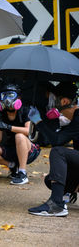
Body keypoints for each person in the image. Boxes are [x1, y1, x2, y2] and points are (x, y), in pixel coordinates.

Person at [28, 82, 79, 217]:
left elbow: (57, 142)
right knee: (50, 179)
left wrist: (39, 122)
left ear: (64, 101)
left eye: (52, 99)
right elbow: (57, 138)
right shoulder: (74, 120)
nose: (50, 103)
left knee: (58, 152)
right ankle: (65, 194)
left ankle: (56, 204)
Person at [0, 84, 41, 185]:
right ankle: (12, 166)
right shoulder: (1, 115)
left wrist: (8, 127)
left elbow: (28, 131)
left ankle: (22, 173)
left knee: (19, 136)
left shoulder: (25, 111)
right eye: (4, 95)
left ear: (18, 98)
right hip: (12, 149)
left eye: (10, 95)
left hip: (29, 149)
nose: (7, 99)